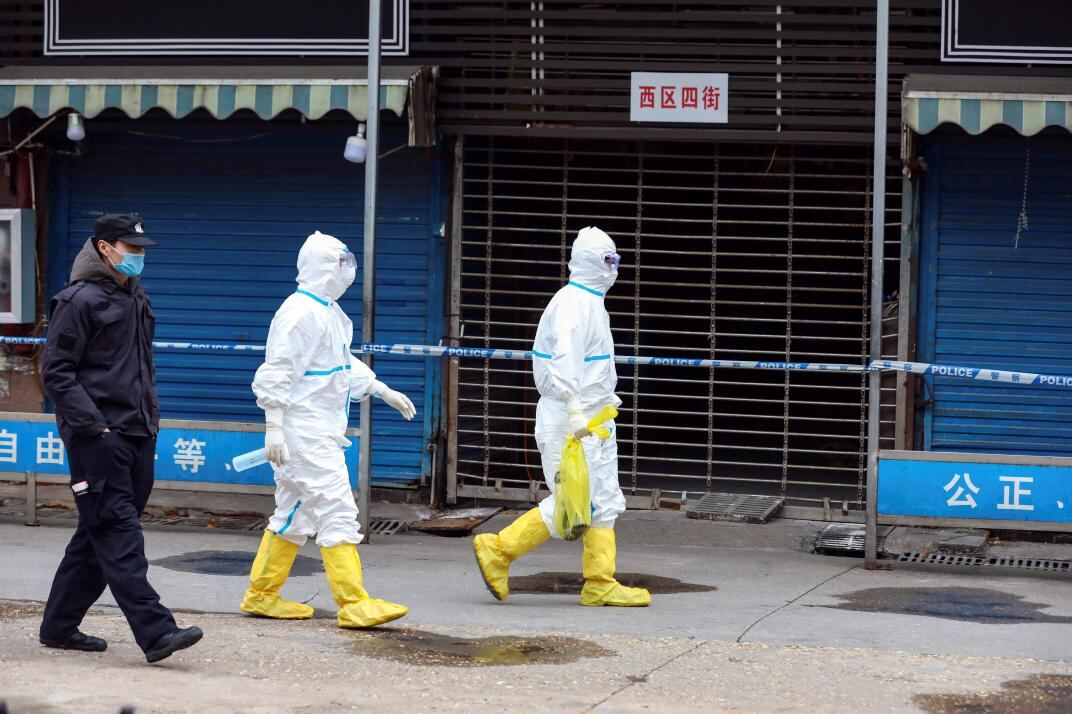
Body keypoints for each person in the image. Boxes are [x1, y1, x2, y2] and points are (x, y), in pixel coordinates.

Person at [39, 214, 203, 663]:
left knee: (97, 532)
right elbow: (56, 372)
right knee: (117, 531)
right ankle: (156, 632)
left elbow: (139, 367)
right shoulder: (78, 301)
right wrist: (96, 428)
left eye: (142, 249)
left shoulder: (134, 296)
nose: (138, 256)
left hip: (137, 432)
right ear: (104, 248)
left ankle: (58, 626)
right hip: (98, 436)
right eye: (131, 249)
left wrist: (148, 422)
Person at [241, 230, 416, 629]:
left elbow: (340, 362)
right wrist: (274, 426)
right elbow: (278, 371)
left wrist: (379, 388)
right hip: (305, 433)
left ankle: (261, 595)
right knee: (337, 509)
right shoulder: (301, 312)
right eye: (341, 263)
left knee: (294, 514)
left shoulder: (327, 311)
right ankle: (353, 602)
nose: (348, 270)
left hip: (315, 430)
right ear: (322, 267)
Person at [473, 226, 651, 607]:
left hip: (593, 418)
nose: (615, 267)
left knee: (603, 502)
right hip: (574, 420)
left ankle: (600, 581)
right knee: (574, 503)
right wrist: (574, 411)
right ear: (592, 262)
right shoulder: (572, 305)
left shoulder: (590, 303)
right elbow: (564, 363)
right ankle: (499, 550)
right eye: (609, 260)